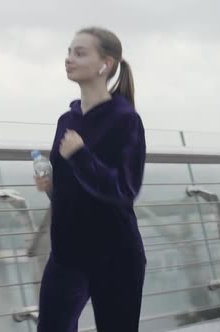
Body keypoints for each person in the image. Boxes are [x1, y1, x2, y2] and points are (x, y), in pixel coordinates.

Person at [34, 26, 147, 332]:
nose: (69, 59)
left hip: (115, 256)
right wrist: (52, 188)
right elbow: (77, 190)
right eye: (69, 52)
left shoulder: (125, 119)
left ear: (105, 64)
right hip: (66, 255)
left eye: (80, 53)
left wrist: (81, 155)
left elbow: (125, 190)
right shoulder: (66, 121)